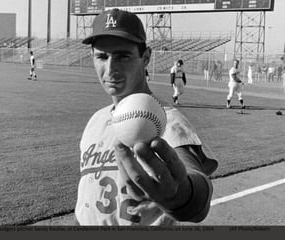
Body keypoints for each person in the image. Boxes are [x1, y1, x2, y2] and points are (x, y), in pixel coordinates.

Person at [75, 8, 218, 226]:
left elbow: (197, 192)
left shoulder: (167, 120)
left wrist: (181, 197)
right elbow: (86, 205)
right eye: (102, 56)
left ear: (146, 57)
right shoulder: (95, 121)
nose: (110, 68)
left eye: (123, 56)